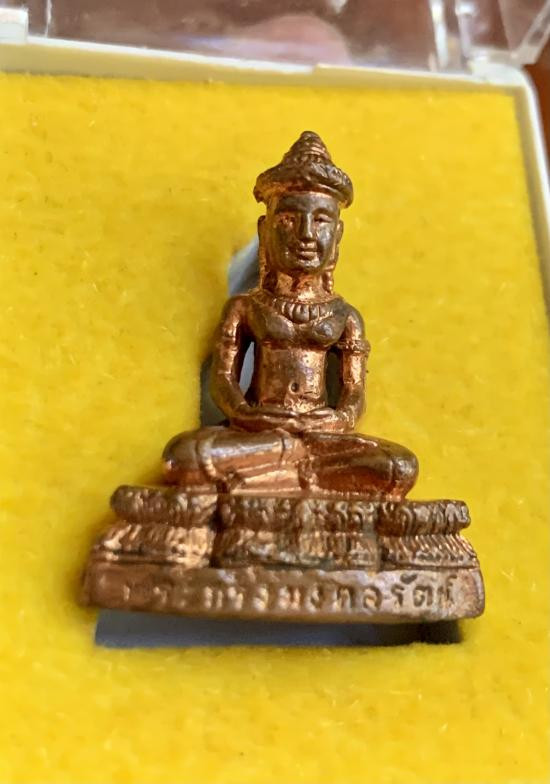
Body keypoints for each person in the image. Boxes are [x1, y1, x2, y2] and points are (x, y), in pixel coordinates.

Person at [163, 131, 418, 498]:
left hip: (321, 437)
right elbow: (223, 380)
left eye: (321, 221)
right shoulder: (246, 308)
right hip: (258, 432)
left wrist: (338, 419)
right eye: (289, 219)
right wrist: (246, 415)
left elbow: (353, 393)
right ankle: (298, 474)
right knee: (186, 457)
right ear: (265, 230)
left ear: (338, 234)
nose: (306, 234)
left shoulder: (345, 316)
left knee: (399, 466)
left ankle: (274, 476)